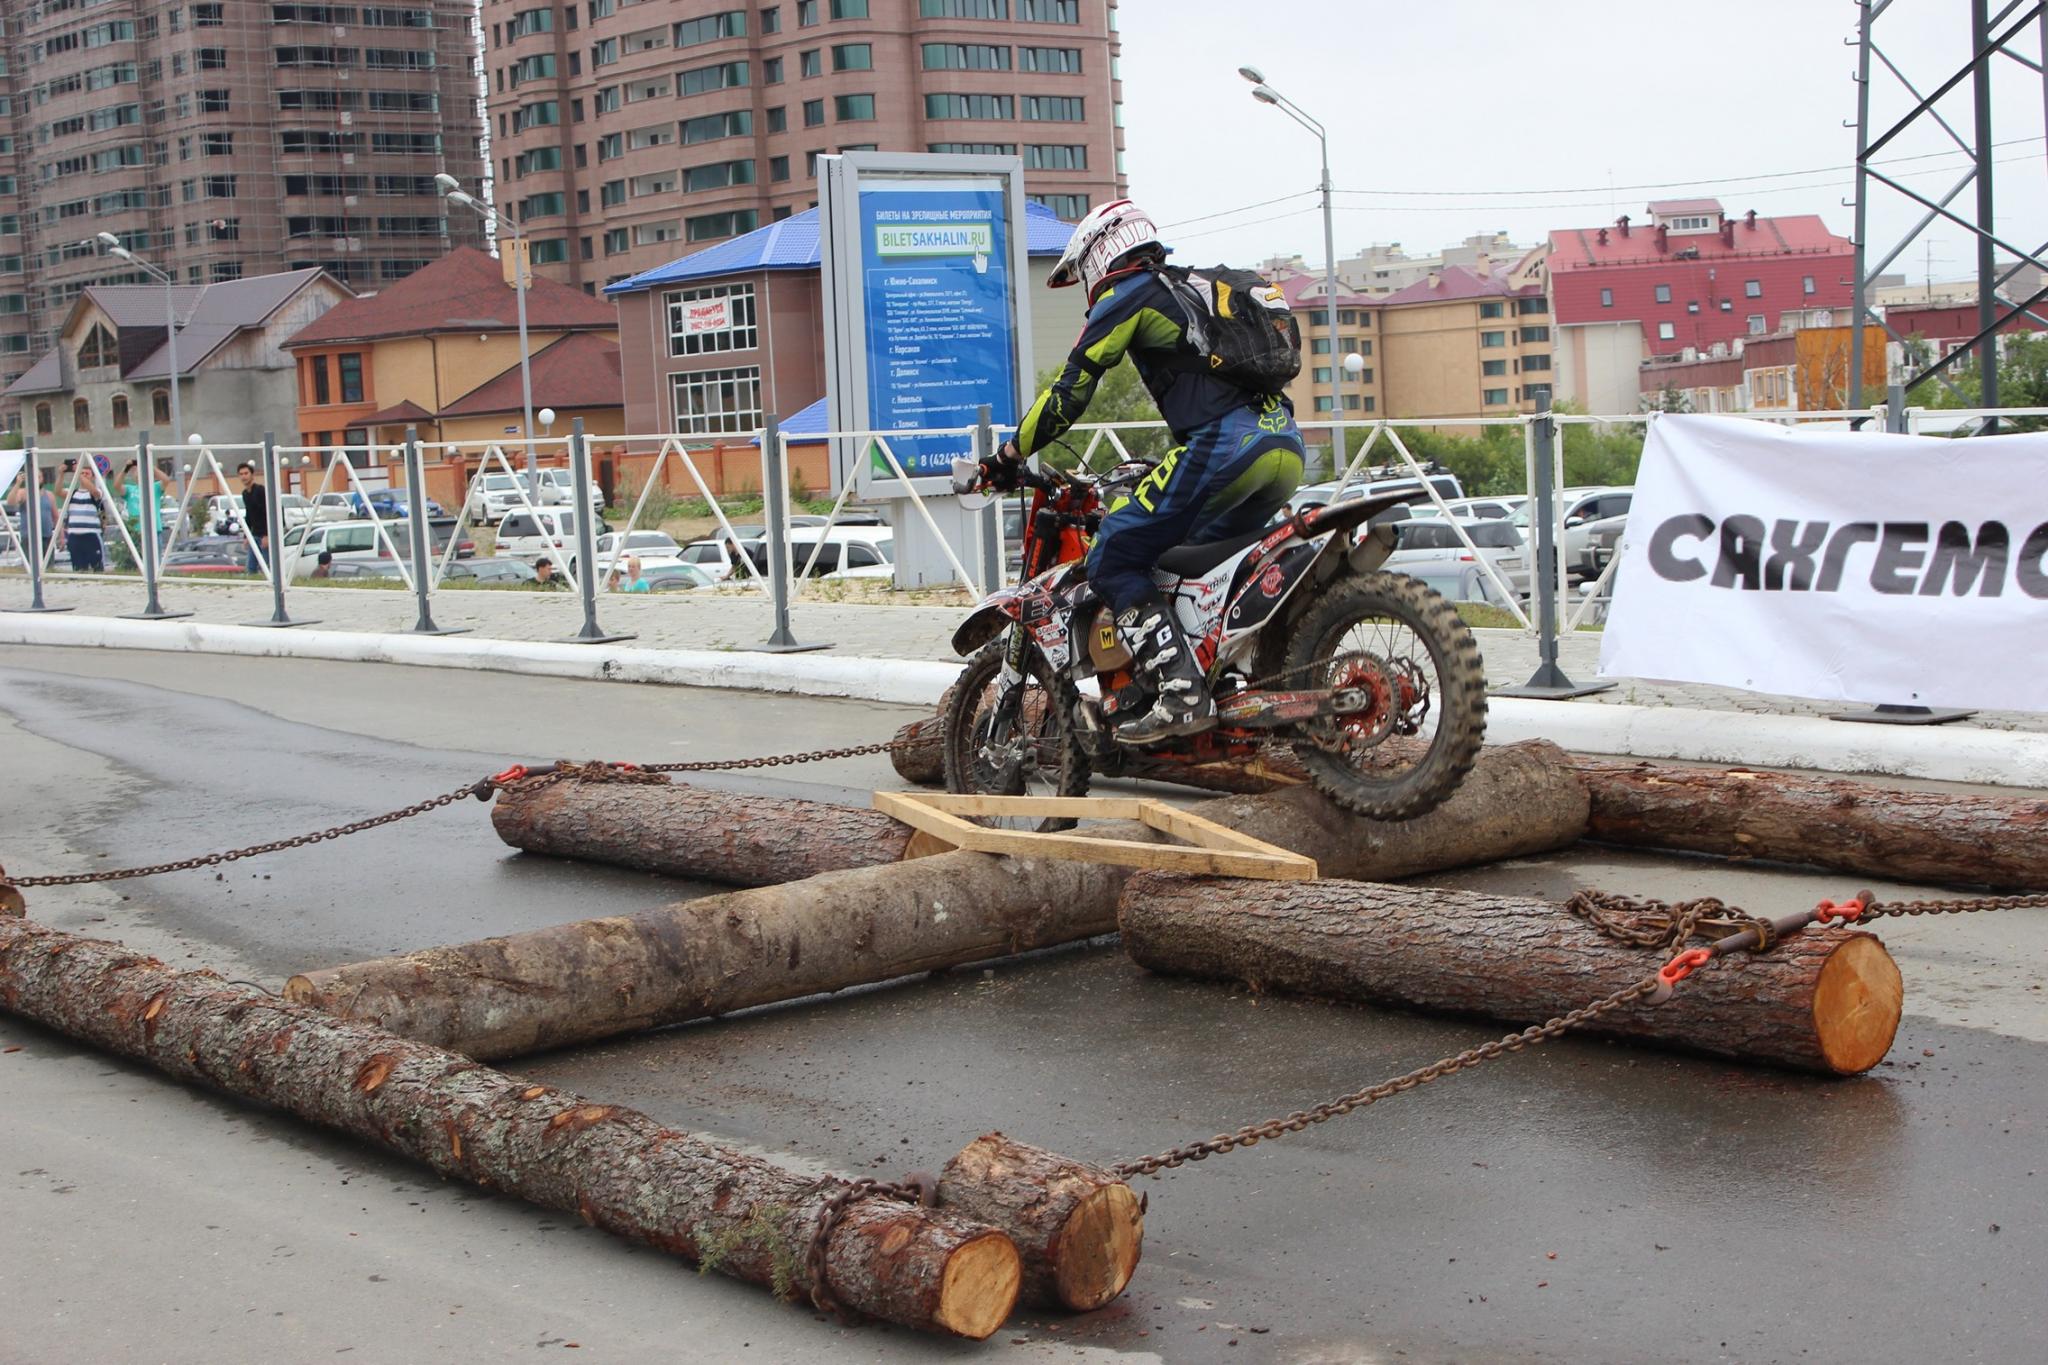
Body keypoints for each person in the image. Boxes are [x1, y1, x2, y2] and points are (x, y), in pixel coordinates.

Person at [996, 198, 1306, 744]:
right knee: (1191, 566)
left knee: (1115, 553)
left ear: (1100, 252)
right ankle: (1225, 683)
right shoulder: (1191, 290)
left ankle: (1181, 694)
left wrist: (1010, 455)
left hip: (1225, 448)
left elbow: (1069, 395)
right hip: (1283, 445)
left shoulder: (1129, 295)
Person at [63, 461, 107, 572]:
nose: (83, 475)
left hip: (91, 534)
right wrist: (61, 474)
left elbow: (94, 492)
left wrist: (78, 473)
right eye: (81, 473)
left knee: (97, 567)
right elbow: (58, 491)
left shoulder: (97, 492)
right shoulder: (72, 493)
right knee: (78, 568)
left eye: (87, 473)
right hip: (74, 534)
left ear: (92, 477)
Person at [237, 462, 269, 575]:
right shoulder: (245, 494)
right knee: (251, 567)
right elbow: (249, 515)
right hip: (254, 535)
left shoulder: (261, 491)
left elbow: (268, 512)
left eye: (246, 473)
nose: (244, 476)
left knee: (267, 566)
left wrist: (267, 535)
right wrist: (246, 536)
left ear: (252, 475)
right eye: (241, 474)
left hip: (265, 535)